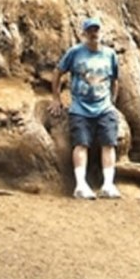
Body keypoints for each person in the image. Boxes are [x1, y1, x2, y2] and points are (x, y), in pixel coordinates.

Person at [49, 17, 122, 199]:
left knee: (109, 143)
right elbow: (58, 72)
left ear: (100, 32)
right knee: (81, 144)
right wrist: (56, 98)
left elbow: (115, 80)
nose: (93, 34)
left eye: (96, 30)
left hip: (104, 108)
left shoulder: (109, 54)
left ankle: (108, 184)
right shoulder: (75, 53)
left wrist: (112, 102)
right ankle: (81, 185)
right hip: (80, 109)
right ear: (84, 33)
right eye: (90, 31)